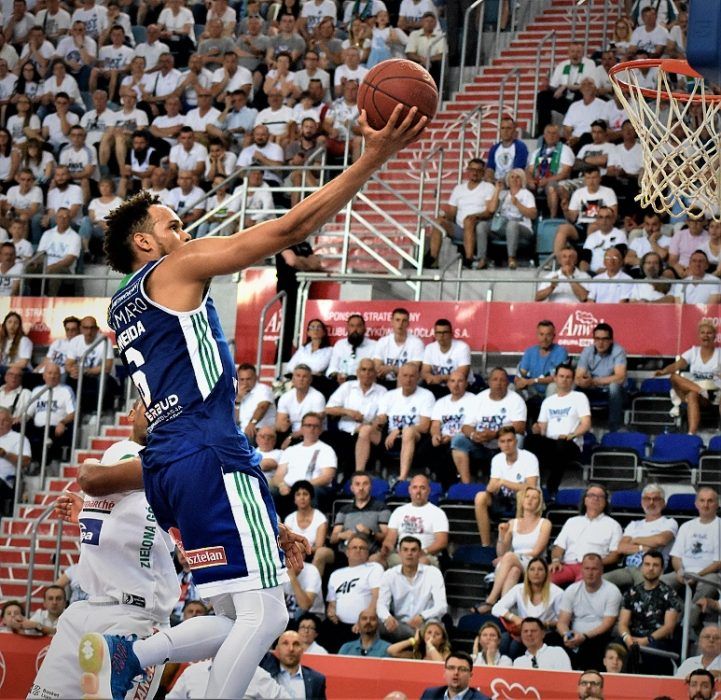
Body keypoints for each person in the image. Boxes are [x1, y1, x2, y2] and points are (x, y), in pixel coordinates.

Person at [89, 103, 426, 699]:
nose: (185, 235)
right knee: (267, 616)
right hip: (208, 454)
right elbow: (288, 231)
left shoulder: (121, 306)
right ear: (145, 241)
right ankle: (143, 660)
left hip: (169, 468)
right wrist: (373, 157)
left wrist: (265, 523)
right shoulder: (176, 267)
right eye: (173, 226)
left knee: (232, 614)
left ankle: (133, 655)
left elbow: (144, 423)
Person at [29, 400, 177, 700]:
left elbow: (89, 478)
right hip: (86, 608)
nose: (156, 410)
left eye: (162, 405)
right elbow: (112, 505)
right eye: (148, 404)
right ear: (131, 414)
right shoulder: (118, 453)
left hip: (136, 618)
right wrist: (87, 512)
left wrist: (87, 474)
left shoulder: (167, 463)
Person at [355, 363, 435, 480]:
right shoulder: (390, 395)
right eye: (405, 375)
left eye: (412, 376)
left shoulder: (427, 395)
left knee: (408, 431)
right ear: (399, 377)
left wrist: (399, 430)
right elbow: (381, 418)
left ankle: (402, 477)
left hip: (415, 438)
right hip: (389, 438)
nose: (408, 380)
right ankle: (358, 474)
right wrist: (374, 424)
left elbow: (424, 426)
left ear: (418, 377)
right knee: (365, 430)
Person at [478, 487, 551, 613]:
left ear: (539, 503)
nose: (530, 500)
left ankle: (491, 600)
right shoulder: (513, 523)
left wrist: (511, 557)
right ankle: (503, 609)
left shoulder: (545, 523)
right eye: (527, 497)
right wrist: (501, 535)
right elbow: (501, 553)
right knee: (514, 571)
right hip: (513, 562)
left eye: (534, 498)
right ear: (522, 501)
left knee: (510, 557)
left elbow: (536, 552)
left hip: (534, 562)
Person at [524, 362, 591, 496]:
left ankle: (552, 488)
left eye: (568, 377)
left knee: (561, 445)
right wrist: (537, 428)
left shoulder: (579, 397)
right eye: (561, 376)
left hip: (570, 441)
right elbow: (542, 427)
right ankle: (533, 487)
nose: (564, 380)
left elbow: (586, 423)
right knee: (530, 440)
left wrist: (572, 435)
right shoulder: (548, 401)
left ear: (572, 380)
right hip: (550, 441)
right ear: (555, 378)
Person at [661, 487, 721, 631]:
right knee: (660, 582)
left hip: (709, 574)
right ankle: (682, 613)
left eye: (710, 501)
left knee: (710, 581)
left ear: (717, 504)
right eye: (702, 501)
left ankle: (686, 621)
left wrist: (697, 576)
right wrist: (680, 572)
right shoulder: (686, 526)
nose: (705, 505)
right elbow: (676, 556)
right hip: (684, 572)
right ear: (696, 504)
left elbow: (718, 562)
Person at [618, 549, 682, 675]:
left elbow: (668, 627)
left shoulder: (670, 594)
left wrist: (646, 640)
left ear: (662, 570)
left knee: (650, 651)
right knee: (614, 646)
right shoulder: (631, 593)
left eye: (655, 565)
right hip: (633, 637)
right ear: (641, 567)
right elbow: (622, 623)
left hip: (658, 641)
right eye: (647, 564)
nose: (651, 568)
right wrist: (627, 638)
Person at [471, 427, 538, 548]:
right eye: (502, 441)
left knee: (521, 496)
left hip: (526, 499)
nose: (506, 445)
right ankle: (485, 545)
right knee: (480, 497)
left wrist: (504, 482)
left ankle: (518, 544)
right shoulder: (497, 459)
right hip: (504, 499)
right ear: (498, 444)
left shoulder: (529, 458)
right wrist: (491, 487)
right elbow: (493, 485)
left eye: (509, 441)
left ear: (516, 441)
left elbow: (531, 487)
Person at [604, 483, 678, 591]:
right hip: (628, 569)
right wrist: (644, 547)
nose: (651, 502)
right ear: (642, 502)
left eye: (656, 499)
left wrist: (635, 540)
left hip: (651, 569)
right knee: (600, 581)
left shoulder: (669, 522)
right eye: (647, 499)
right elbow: (621, 548)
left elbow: (661, 540)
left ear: (663, 503)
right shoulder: (634, 524)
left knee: (643, 592)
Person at [556, 553, 623, 670]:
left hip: (600, 637)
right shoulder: (572, 590)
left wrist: (584, 636)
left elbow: (608, 623)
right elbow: (562, 622)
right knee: (552, 641)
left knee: (594, 646)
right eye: (587, 568)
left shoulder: (612, 591)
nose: (590, 573)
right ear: (581, 570)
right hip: (574, 636)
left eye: (594, 569)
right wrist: (568, 635)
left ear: (601, 570)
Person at [425, 158, 495, 269]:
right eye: (472, 170)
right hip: (460, 229)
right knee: (439, 222)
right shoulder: (459, 188)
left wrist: (475, 216)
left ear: (483, 172)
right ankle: (433, 259)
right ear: (468, 170)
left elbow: (489, 212)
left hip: (477, 227)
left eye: (478, 170)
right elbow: (452, 213)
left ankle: (469, 258)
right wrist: (444, 216)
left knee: (469, 220)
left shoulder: (488, 187)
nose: (475, 173)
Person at [377, 535, 447, 642]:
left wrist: (422, 616)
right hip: (400, 626)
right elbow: (381, 605)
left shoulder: (433, 573)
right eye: (405, 550)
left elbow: (442, 606)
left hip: (426, 624)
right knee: (377, 624)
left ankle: (416, 643)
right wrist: (388, 617)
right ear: (399, 553)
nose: (409, 553)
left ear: (420, 553)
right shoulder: (389, 575)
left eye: (413, 550)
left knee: (433, 629)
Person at [549, 484, 622, 586]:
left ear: (605, 502)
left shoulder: (613, 525)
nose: (596, 498)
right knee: (542, 577)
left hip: (591, 568)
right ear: (585, 500)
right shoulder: (572, 521)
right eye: (592, 495)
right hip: (567, 565)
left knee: (581, 587)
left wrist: (596, 564)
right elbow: (558, 547)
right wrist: (556, 561)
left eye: (600, 496)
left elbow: (615, 555)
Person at [491, 557, 564, 659]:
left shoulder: (557, 592)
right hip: (524, 633)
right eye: (532, 569)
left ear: (546, 573)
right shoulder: (519, 589)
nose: (536, 573)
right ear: (527, 573)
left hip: (546, 634)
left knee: (514, 647)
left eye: (540, 569)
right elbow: (496, 608)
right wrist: (514, 618)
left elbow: (563, 620)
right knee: (504, 640)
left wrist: (544, 624)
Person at [325, 357, 387, 473]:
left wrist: (371, 424)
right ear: (357, 372)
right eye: (363, 369)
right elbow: (328, 409)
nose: (367, 373)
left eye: (370, 370)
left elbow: (382, 417)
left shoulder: (382, 391)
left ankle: (359, 473)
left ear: (375, 373)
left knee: (365, 431)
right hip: (345, 434)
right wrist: (347, 412)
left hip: (369, 433)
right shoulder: (347, 386)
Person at [324, 533, 383, 651]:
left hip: (364, 626)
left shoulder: (374, 568)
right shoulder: (336, 574)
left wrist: (363, 622)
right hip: (339, 626)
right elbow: (332, 603)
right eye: (354, 547)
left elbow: (377, 597)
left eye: (362, 548)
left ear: (368, 553)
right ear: (347, 552)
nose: (358, 550)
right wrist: (331, 612)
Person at [379, 473, 448, 567]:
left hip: (426, 556)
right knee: (376, 560)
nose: (418, 491)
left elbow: (442, 542)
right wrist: (386, 548)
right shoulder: (399, 511)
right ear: (409, 490)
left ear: (428, 490)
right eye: (415, 487)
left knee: (421, 563)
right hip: (400, 556)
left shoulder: (438, 513)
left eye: (422, 488)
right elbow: (390, 539)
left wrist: (423, 552)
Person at [272, 413, 336, 513]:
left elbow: (327, 477)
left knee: (310, 492)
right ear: (302, 428)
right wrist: (281, 485)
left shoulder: (327, 450)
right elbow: (278, 475)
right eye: (308, 425)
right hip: (288, 489)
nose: (312, 429)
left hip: (312, 488)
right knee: (270, 491)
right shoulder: (290, 450)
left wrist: (301, 487)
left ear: (320, 429)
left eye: (315, 426)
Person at [574, 322, 627, 433]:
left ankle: (614, 428)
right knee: (573, 386)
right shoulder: (587, 351)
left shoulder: (618, 351)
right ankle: (575, 427)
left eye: (604, 339)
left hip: (612, 391)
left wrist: (594, 381)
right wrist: (582, 381)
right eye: (597, 339)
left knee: (614, 387)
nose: (600, 343)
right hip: (592, 388)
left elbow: (620, 377)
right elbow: (578, 376)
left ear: (611, 340)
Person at [514, 320, 568, 423]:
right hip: (532, 391)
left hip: (551, 390)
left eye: (548, 335)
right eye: (541, 334)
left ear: (554, 336)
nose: (544, 338)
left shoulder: (561, 352)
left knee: (553, 386)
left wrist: (533, 381)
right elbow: (522, 372)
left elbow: (558, 378)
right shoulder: (530, 351)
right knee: (511, 388)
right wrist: (519, 380)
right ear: (537, 335)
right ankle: (516, 425)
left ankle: (548, 424)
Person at [329, 471, 390, 558]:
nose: (361, 488)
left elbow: (388, 537)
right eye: (357, 484)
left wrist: (371, 533)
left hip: (370, 554)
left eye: (365, 484)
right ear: (352, 488)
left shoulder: (381, 508)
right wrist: (342, 535)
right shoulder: (343, 510)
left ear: (370, 487)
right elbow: (332, 539)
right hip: (344, 555)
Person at [25, 363, 75, 465]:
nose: (52, 376)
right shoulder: (37, 390)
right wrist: (18, 419)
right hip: (37, 428)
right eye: (49, 373)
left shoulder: (66, 390)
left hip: (55, 428)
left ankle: (42, 465)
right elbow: (28, 413)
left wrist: (62, 423)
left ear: (60, 376)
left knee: (46, 439)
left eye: (56, 373)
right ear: (44, 376)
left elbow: (73, 413)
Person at [283, 480, 334, 576]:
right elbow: (287, 543)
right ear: (294, 499)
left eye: (305, 494)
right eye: (298, 494)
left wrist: (303, 547)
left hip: (313, 553)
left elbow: (319, 546)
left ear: (311, 497)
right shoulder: (289, 519)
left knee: (320, 553)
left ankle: (312, 581)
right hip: (295, 553)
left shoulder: (320, 518)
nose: (302, 497)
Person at [260, 630, 327, 700]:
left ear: (302, 650)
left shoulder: (316, 680)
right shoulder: (266, 671)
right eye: (285, 643)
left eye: (296, 644)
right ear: (277, 649)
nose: (291, 649)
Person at [372, 307, 425, 388]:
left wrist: (391, 368)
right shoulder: (383, 342)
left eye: (404, 321)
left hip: (406, 383)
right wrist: (382, 371)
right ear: (392, 322)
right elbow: (377, 367)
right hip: (384, 382)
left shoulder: (416, 343)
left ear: (408, 323)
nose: (400, 324)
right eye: (397, 320)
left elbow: (412, 371)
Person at [421, 319, 475, 398]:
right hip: (438, 387)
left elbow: (461, 375)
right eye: (438, 333)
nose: (441, 336)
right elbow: (425, 372)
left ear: (451, 334)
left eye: (445, 332)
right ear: (435, 334)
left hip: (460, 387)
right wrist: (430, 378)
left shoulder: (462, 347)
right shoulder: (429, 348)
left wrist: (440, 378)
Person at [275, 365, 326, 445]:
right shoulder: (285, 397)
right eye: (298, 376)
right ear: (293, 379)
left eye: (304, 376)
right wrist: (281, 426)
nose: (301, 379)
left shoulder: (318, 397)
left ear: (310, 380)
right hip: (292, 432)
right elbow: (281, 425)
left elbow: (315, 423)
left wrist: (291, 437)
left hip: (314, 433)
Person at [326, 314, 377, 385]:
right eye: (352, 326)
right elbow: (332, 368)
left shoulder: (374, 345)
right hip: (341, 383)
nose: (355, 329)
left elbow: (375, 370)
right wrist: (337, 375)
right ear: (347, 329)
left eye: (359, 326)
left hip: (363, 383)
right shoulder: (340, 344)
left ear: (364, 329)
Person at [420, 651, 490, 700]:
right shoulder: (430, 694)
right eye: (451, 668)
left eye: (462, 669)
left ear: (470, 675)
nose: (456, 673)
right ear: (445, 672)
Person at [0, 406, 31, 514]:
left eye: (4, 421)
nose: (1, 424)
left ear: (11, 421)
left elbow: (26, 462)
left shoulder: (18, 438)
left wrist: (5, 454)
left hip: (6, 481)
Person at [235, 363, 276, 441]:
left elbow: (262, 407)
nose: (245, 383)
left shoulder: (263, 389)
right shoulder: (240, 393)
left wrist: (252, 423)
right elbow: (236, 420)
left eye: (248, 379)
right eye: (242, 379)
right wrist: (238, 400)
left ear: (256, 378)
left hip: (260, 431)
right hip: (243, 431)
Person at [486, 117, 529, 183]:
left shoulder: (521, 147)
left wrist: (503, 181)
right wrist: (490, 179)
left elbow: (517, 171)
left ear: (514, 130)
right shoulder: (494, 148)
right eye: (503, 128)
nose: (505, 131)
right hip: (495, 182)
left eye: (508, 128)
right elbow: (490, 168)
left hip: (513, 182)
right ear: (500, 131)